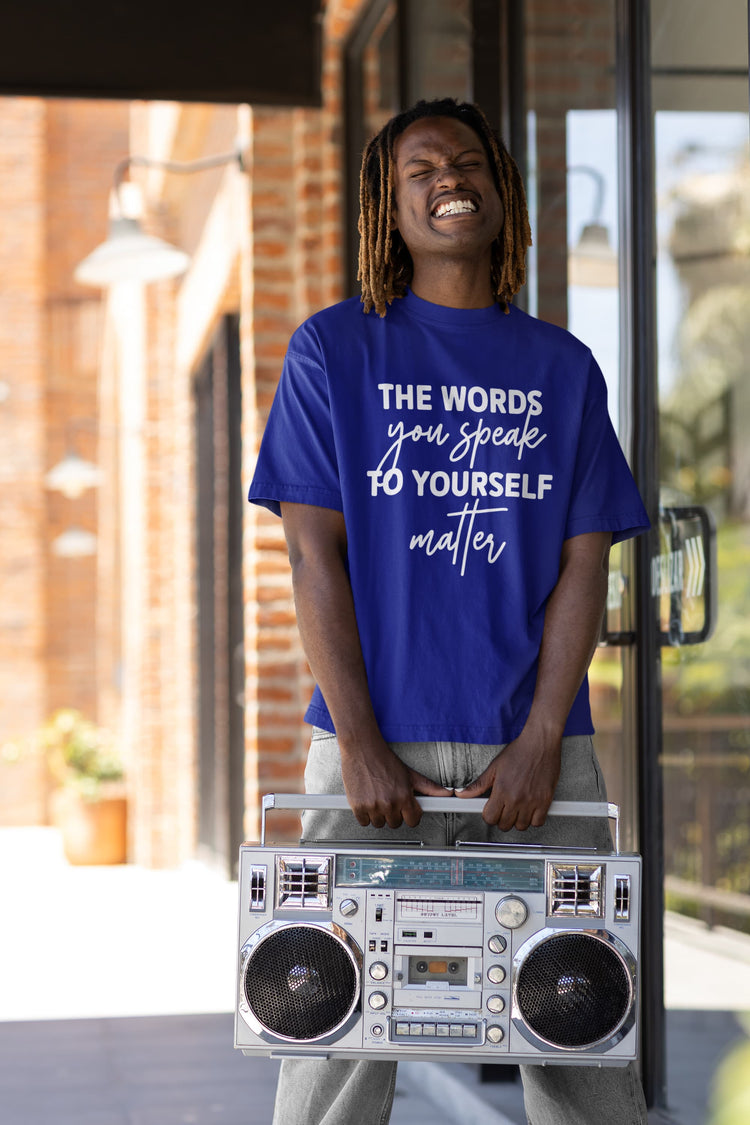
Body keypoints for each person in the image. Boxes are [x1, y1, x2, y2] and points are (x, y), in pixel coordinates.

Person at [249, 97, 650, 1125]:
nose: (447, 179)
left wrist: (541, 739)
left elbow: (583, 566)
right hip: (372, 750)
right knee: (334, 1034)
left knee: (580, 1032)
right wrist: (365, 742)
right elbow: (311, 554)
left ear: (501, 194)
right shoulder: (333, 353)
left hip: (540, 755)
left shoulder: (561, 368)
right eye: (419, 168)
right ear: (389, 205)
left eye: (466, 162)